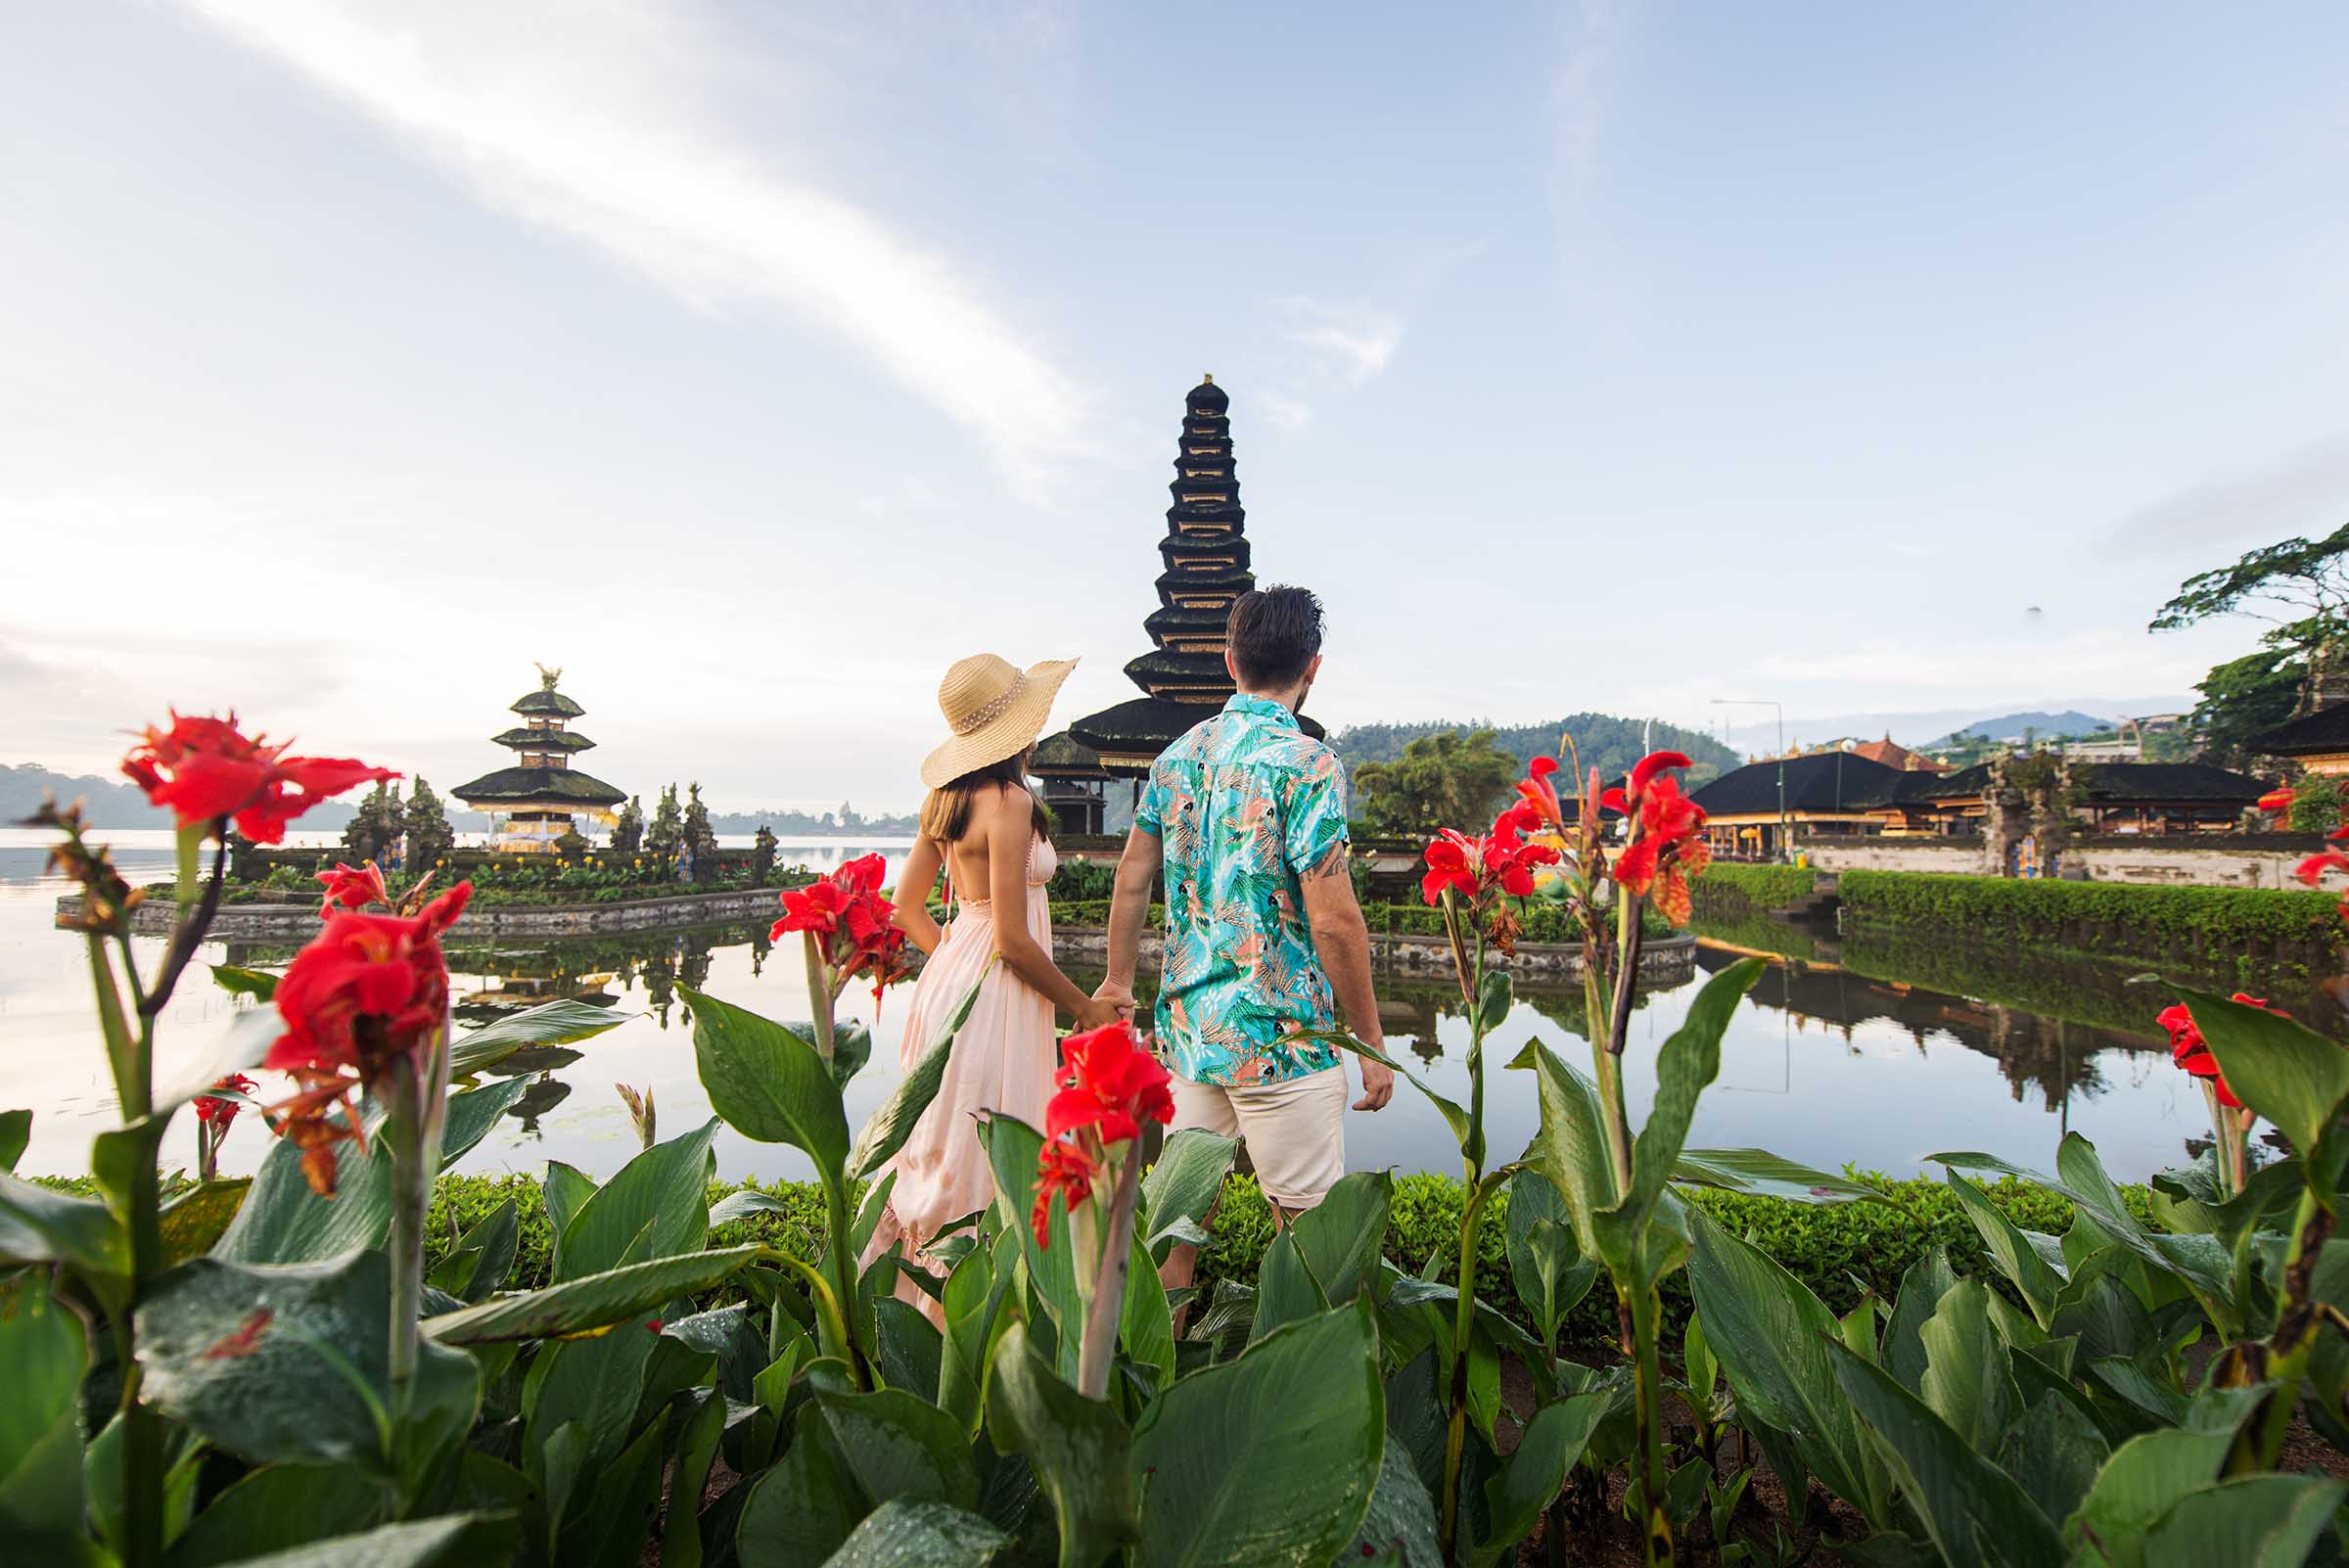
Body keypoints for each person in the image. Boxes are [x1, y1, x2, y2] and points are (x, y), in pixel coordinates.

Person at [1094, 585, 1394, 1304]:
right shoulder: (1305, 762)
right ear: (1312, 667)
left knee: (1175, 1239)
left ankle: (1152, 1392)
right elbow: (1334, 921)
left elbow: (1133, 877)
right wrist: (1371, 1040)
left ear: (1231, 662)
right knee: (1312, 1251)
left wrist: (1116, 981)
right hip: (1281, 1041)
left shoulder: (1174, 759)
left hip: (1191, 1037)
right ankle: (1308, 1402)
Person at [861, 652, 1125, 1318]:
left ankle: (915, 1313)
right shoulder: (1009, 803)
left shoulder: (944, 800)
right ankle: (975, 1314)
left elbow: (906, 908)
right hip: (994, 991)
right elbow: (1011, 940)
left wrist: (952, 959)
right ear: (1020, 732)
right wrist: (1084, 1008)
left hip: (951, 980)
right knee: (989, 1136)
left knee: (943, 1136)